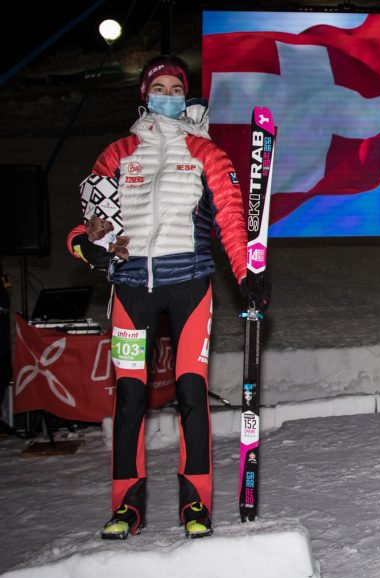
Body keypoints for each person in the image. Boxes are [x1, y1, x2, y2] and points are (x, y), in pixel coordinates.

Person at [68, 55, 267, 538]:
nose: (168, 95)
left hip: (189, 287)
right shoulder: (117, 152)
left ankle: (194, 507)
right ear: (144, 94)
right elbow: (91, 219)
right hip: (130, 289)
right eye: (159, 87)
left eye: (176, 88)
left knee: (191, 393)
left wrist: (247, 275)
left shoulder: (207, 153)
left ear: (186, 95)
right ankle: (126, 508)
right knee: (131, 396)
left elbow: (231, 221)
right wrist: (85, 245)